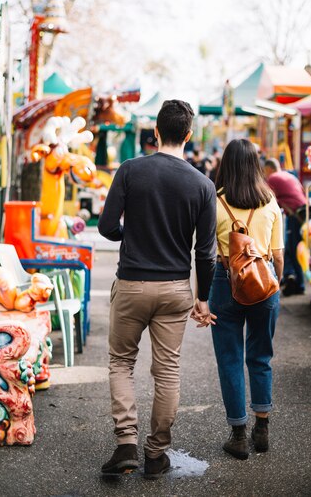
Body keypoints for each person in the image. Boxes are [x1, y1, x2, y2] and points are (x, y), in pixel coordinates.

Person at [98, 99, 217, 479]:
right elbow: (206, 252)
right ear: (188, 135)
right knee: (167, 372)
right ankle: (156, 453)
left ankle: (126, 444)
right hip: (174, 289)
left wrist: (126, 235)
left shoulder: (131, 170)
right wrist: (202, 299)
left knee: (121, 362)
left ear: (155, 131)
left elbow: (105, 226)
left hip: (132, 283)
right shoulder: (202, 184)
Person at [193, 139, 283, 460]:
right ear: (256, 164)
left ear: (225, 165)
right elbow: (277, 255)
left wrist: (200, 295)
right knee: (261, 357)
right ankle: (263, 428)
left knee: (230, 358)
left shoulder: (214, 202)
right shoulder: (270, 201)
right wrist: (275, 283)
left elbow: (203, 253)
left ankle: (238, 435)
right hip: (264, 280)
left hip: (223, 279)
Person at [264, 158, 307, 296]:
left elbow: (267, 199)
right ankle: (293, 279)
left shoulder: (272, 178)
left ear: (269, 169)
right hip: (302, 213)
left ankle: (299, 284)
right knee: (292, 248)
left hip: (294, 215)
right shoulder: (289, 175)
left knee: (292, 249)